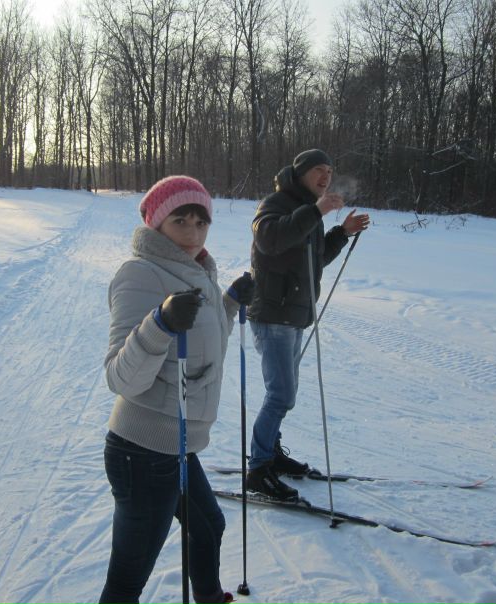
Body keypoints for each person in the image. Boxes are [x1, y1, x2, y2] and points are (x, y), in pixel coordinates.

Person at [100, 175, 254, 604]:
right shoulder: (139, 274)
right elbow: (121, 377)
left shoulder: (197, 270)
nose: (192, 233)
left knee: (209, 528)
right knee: (129, 579)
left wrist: (230, 303)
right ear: (156, 223)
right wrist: (160, 325)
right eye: (180, 220)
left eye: (201, 221)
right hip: (143, 451)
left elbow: (207, 344)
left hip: (178, 442)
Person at [245, 149, 370, 500]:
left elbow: (314, 261)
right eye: (318, 169)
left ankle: (271, 456)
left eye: (330, 170)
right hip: (273, 315)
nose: (326, 176)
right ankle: (258, 470)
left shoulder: (309, 212)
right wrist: (316, 211)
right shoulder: (276, 204)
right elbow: (270, 240)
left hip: (293, 316)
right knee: (280, 394)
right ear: (300, 172)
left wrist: (340, 233)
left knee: (285, 394)